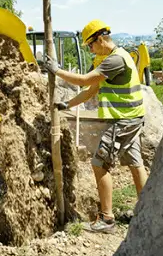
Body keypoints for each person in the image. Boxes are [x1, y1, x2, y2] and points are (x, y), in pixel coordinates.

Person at [43, 19, 149, 234]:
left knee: (99, 163)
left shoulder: (116, 60)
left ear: (100, 39)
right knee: (135, 163)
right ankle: (149, 210)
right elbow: (91, 88)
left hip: (124, 120)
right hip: (131, 118)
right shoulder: (108, 58)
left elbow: (83, 80)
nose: (90, 50)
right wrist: (67, 104)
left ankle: (107, 220)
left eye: (90, 45)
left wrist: (57, 70)